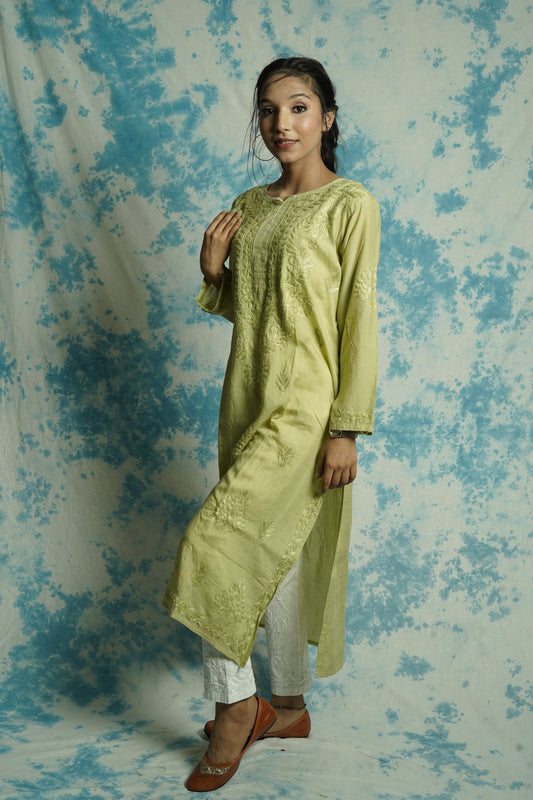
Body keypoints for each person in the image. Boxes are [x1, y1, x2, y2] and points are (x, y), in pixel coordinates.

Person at [162, 56, 380, 792]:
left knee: (213, 545)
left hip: (306, 409)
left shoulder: (350, 204)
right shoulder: (248, 206)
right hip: (246, 397)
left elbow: (355, 317)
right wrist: (215, 272)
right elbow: (256, 312)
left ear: (326, 117)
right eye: (267, 110)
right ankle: (287, 706)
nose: (280, 123)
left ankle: (235, 707)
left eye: (297, 107)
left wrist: (346, 426)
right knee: (273, 552)